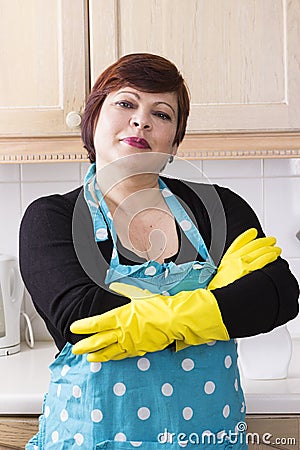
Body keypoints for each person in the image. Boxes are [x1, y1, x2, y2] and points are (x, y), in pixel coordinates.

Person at [20, 53, 299, 449]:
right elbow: (80, 318)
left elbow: (277, 295)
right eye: (126, 103)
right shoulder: (54, 218)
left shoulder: (215, 207)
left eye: (162, 114)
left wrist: (159, 319)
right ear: (93, 117)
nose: (142, 120)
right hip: (94, 437)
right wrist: (212, 308)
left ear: (173, 141)